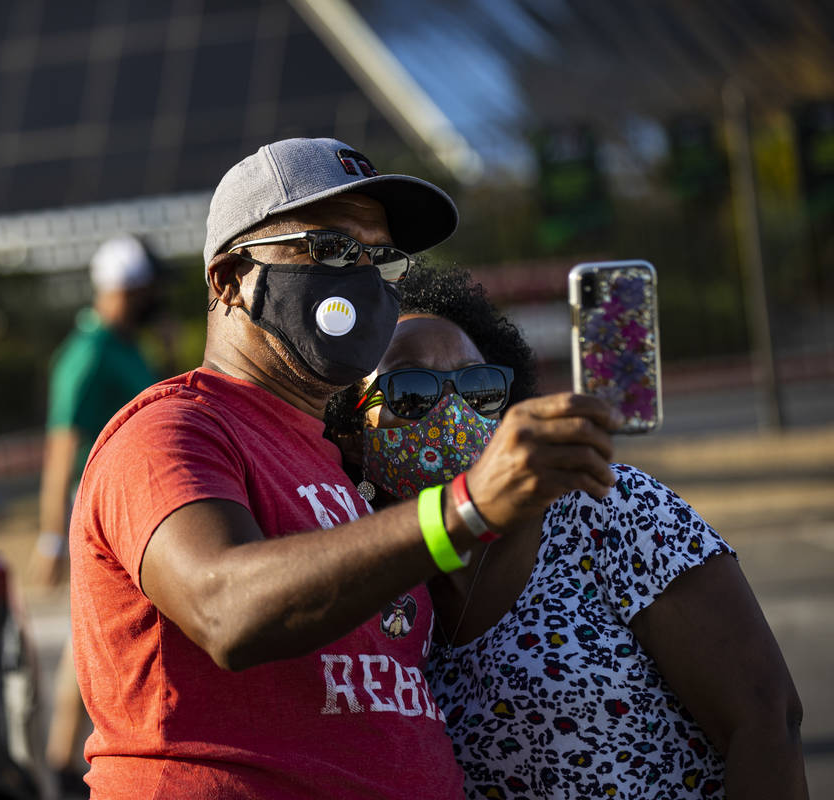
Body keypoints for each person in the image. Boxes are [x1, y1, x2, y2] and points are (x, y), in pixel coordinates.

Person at [68, 137, 624, 798]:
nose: (360, 278)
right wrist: (465, 506)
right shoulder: (172, 430)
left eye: (380, 257)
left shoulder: (339, 462)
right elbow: (223, 608)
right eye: (330, 248)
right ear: (228, 280)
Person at [324, 265, 808, 799]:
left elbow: (767, 720)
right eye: (410, 390)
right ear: (348, 431)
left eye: (478, 387)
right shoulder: (375, 591)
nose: (451, 411)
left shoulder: (602, 501)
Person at [30, 234, 162, 794]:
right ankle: (63, 767)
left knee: (89, 648)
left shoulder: (124, 343)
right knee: (90, 650)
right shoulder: (88, 354)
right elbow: (62, 449)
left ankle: (62, 763)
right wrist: (50, 540)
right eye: (147, 288)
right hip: (102, 524)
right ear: (126, 289)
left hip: (135, 512)